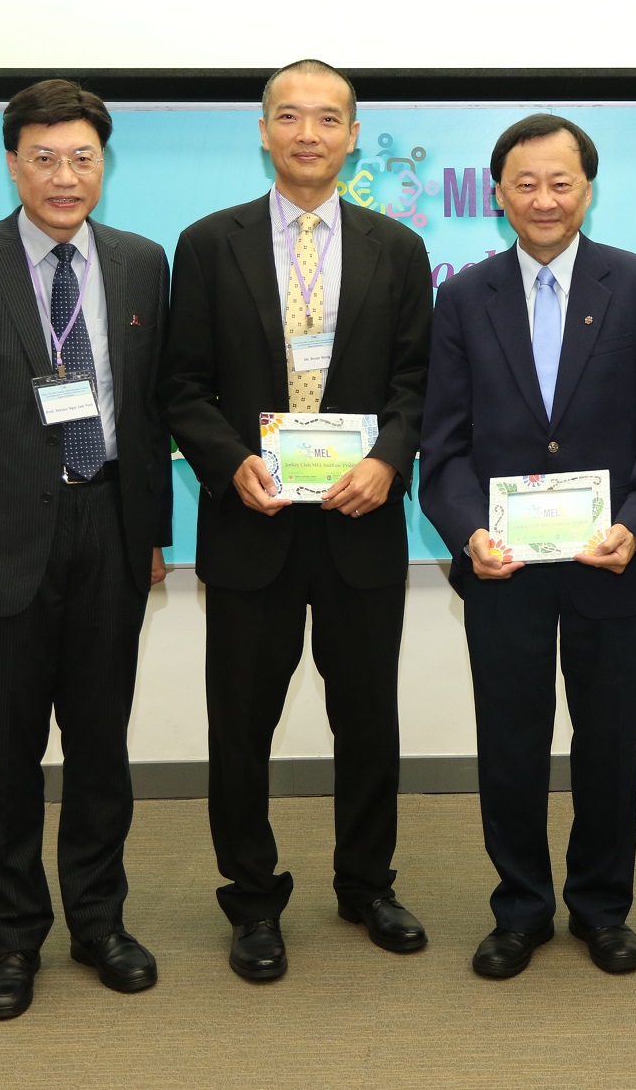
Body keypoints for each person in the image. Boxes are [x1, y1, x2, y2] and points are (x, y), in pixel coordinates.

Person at [0, 79, 172, 1020]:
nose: (64, 175)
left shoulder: (139, 262)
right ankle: (11, 940)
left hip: (110, 531)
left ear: (104, 164)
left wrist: (152, 538)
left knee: (102, 748)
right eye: (44, 157)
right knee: (6, 756)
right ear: (13, 163)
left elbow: (152, 403)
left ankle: (99, 921)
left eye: (82, 157)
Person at [159, 59, 433, 981]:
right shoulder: (207, 244)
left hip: (360, 525)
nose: (308, 133)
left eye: (328, 118)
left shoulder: (398, 248)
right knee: (240, 726)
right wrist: (226, 459)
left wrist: (388, 458)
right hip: (252, 524)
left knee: (368, 720)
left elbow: (415, 383)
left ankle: (366, 883)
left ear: (354, 135)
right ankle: (252, 898)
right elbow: (182, 385)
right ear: (265, 131)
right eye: (290, 117)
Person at [419, 113, 636, 978]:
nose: (543, 198)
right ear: (498, 193)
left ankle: (602, 907)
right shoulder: (464, 295)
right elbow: (445, 445)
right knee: (509, 740)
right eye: (525, 183)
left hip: (612, 563)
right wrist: (467, 533)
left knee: (610, 744)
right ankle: (521, 908)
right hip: (502, 572)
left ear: (588, 188)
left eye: (561, 182)